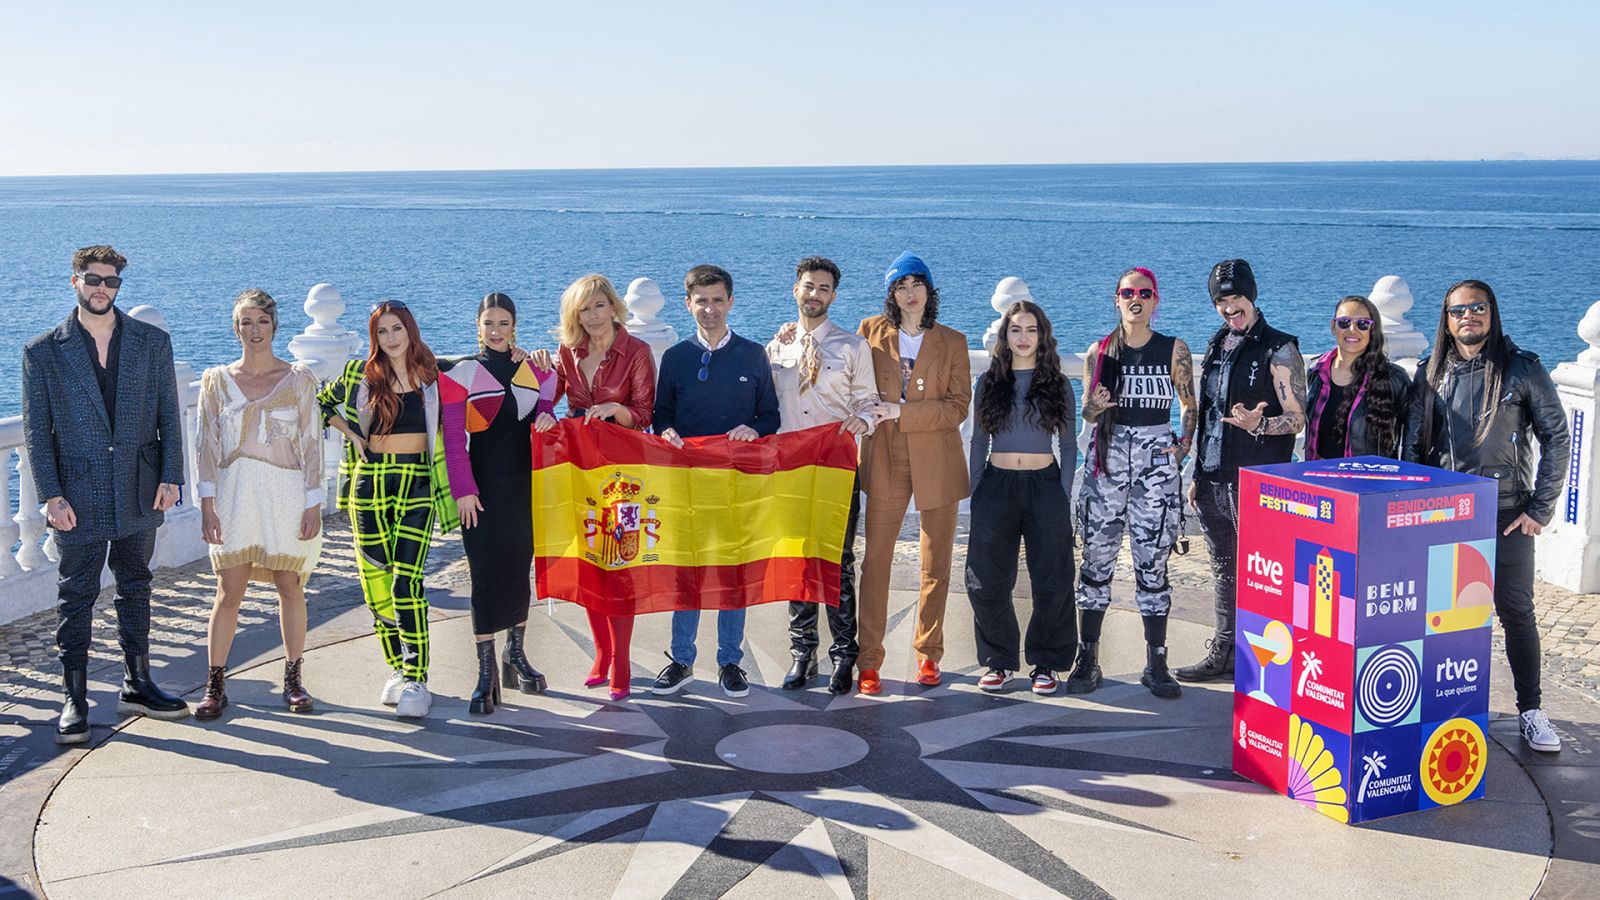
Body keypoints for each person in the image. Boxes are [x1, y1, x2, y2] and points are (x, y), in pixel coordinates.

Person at [23, 245, 190, 743]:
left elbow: (168, 414)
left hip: (139, 488)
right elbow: (38, 432)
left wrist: (171, 476)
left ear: (119, 285)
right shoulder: (43, 352)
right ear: (73, 281)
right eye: (92, 279)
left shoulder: (151, 342)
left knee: (136, 586)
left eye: (111, 281)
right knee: (76, 595)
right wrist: (51, 495)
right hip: (77, 495)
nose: (102, 288)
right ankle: (74, 699)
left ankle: (138, 682)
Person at [1406, 279, 1570, 752]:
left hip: (1507, 515)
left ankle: (1531, 711)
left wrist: (1541, 508)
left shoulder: (1522, 370)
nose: (1468, 317)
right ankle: (1443, 707)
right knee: (1442, 617)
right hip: (1447, 517)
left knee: (1516, 613)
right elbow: (1415, 448)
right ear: (1447, 319)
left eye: (1477, 308)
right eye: (1459, 311)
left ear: (1492, 313)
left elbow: (1557, 438)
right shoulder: (1430, 373)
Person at [318, 300, 459, 718]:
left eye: (397, 329)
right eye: (383, 332)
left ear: (410, 331)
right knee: (376, 582)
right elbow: (320, 403)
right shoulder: (359, 375)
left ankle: (418, 676)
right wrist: (354, 437)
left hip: (417, 481)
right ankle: (396, 668)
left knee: (407, 581)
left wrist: (528, 355)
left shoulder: (435, 374)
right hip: (371, 482)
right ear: (374, 337)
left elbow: (488, 367)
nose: (391, 338)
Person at [193, 289, 326, 719]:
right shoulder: (216, 381)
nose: (254, 330)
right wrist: (207, 505)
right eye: (246, 322)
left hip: (286, 496)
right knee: (228, 591)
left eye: (262, 322)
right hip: (234, 496)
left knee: (290, 586)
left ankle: (293, 677)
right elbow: (206, 448)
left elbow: (311, 446)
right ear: (236, 328)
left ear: (274, 326)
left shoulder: (300, 380)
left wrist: (313, 504)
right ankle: (215, 683)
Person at [650, 265, 780, 697]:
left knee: (731, 572)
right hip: (687, 484)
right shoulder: (675, 358)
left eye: (717, 300)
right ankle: (682, 660)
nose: (710, 308)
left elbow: (771, 415)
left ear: (731, 303)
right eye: (701, 300)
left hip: (737, 484)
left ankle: (730, 662)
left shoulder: (753, 355)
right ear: (689, 304)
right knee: (687, 572)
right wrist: (665, 431)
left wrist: (755, 430)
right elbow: (660, 414)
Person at [1176, 259, 1305, 682]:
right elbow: (1208, 414)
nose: (1230, 308)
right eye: (1221, 300)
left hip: (1256, 481)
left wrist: (1261, 425)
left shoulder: (1279, 348)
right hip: (1214, 478)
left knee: (1264, 575)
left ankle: (1268, 665)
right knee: (1224, 568)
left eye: (1236, 298)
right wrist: (1197, 475)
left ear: (1252, 296)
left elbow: (1297, 417)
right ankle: (1225, 650)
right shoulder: (1217, 344)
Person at [1069, 268, 1196, 698]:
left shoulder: (1173, 349)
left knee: (1153, 561)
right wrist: (1093, 408)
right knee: (1095, 561)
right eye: (1128, 293)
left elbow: (1187, 404)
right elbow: (1088, 414)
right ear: (1116, 299)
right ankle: (1088, 657)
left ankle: (1156, 661)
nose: (1135, 299)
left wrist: (1182, 449)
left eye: (1144, 293)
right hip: (1108, 463)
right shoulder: (1100, 352)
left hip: (1155, 464)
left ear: (1156, 300)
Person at [530, 274, 657, 701]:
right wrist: (543, 388)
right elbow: (549, 397)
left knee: (619, 566)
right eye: (584, 309)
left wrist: (616, 408)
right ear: (574, 315)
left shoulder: (636, 350)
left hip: (624, 472)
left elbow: (644, 414)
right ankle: (601, 654)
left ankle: (621, 663)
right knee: (589, 561)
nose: (593, 316)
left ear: (614, 307)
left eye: (600, 306)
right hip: (581, 468)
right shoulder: (568, 351)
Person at [856, 252, 972, 694]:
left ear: (929, 290)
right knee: (877, 562)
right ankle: (870, 660)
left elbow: (957, 407)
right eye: (900, 285)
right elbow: (834, 356)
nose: (909, 292)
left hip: (937, 460)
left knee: (935, 564)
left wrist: (899, 411)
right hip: (885, 457)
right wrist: (795, 333)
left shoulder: (953, 342)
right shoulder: (870, 331)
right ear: (891, 294)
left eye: (916, 283)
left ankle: (928, 653)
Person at [766, 257, 879, 694]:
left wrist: (862, 421)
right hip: (789, 469)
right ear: (796, 289)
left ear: (834, 295)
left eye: (824, 289)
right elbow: (764, 407)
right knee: (796, 558)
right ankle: (803, 652)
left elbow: (869, 400)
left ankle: (843, 654)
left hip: (835, 467)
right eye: (809, 286)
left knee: (837, 560)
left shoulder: (852, 347)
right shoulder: (776, 349)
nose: (815, 295)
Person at [439, 292, 556, 715]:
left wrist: (547, 412)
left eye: (504, 323)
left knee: (518, 568)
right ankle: (485, 670)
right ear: (478, 326)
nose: (496, 330)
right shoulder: (461, 374)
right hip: (481, 490)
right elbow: (454, 439)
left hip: (524, 488)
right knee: (485, 574)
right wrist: (463, 491)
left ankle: (516, 654)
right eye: (489, 323)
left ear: (514, 327)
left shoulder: (533, 369)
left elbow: (550, 395)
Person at [965, 299, 1078, 694]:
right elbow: (978, 441)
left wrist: (1061, 495)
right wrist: (979, 490)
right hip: (996, 485)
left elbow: (1069, 446)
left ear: (1041, 335)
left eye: (1031, 330)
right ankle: (999, 660)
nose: (1024, 337)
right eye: (1016, 330)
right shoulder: (990, 382)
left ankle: (1046, 662)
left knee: (1052, 578)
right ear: (1005, 336)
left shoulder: (1057, 382)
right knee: (987, 579)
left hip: (1045, 485)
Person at [1304, 295, 1410, 460]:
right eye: (1344, 322)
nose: (1352, 330)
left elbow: (1412, 438)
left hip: (1367, 480)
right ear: (1333, 327)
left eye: (1362, 324)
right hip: (1319, 476)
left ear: (1371, 330)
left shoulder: (1393, 379)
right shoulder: (1316, 372)